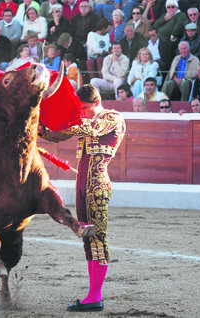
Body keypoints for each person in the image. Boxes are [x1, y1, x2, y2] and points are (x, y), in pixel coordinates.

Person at [38, 84, 126, 313]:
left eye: (84, 108)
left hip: (97, 186)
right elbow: (59, 134)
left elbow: (90, 127)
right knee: (87, 236)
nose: (82, 112)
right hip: (82, 185)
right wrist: (39, 126)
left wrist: (68, 119)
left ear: (96, 102)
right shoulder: (84, 121)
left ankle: (95, 296)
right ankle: (91, 295)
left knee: (97, 236)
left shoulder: (112, 118)